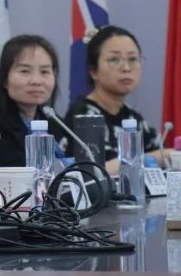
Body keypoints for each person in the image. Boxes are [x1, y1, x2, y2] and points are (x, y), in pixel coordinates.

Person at [64, 25, 160, 171]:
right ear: (93, 71)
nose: (126, 68)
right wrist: (162, 156)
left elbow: (158, 149)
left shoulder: (133, 117)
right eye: (114, 59)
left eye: (133, 59)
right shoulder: (84, 116)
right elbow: (99, 169)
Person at [0, 35, 68, 168]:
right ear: (5, 80)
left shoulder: (57, 124)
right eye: (25, 71)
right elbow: (16, 170)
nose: (36, 81)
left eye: (45, 71)